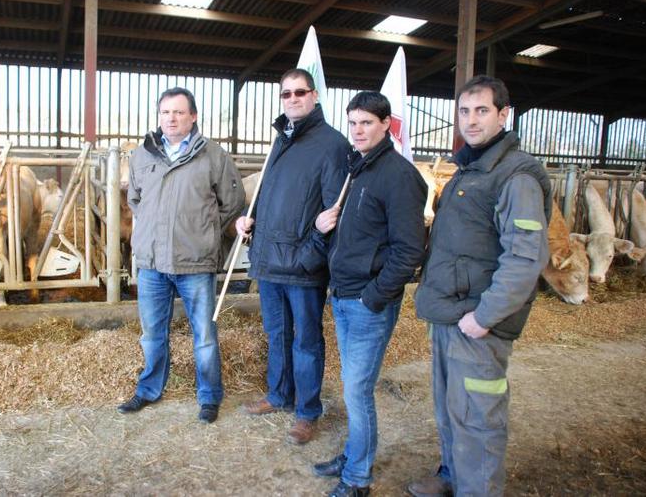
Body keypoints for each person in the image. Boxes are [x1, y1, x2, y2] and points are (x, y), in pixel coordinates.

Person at [410, 75, 552, 496]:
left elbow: (526, 258)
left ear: (503, 114)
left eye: (482, 111)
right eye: (464, 111)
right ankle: (453, 476)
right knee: (452, 409)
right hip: (449, 314)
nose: (471, 121)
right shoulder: (470, 168)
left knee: (478, 419)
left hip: (476, 323)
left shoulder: (515, 175)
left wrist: (484, 316)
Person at [311, 92, 427, 497]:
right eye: (353, 123)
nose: (357, 131)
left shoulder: (399, 175)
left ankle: (358, 478)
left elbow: (410, 248)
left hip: (366, 302)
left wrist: (375, 295)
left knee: (357, 392)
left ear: (386, 125)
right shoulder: (356, 170)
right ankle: (352, 454)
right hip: (343, 295)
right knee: (351, 386)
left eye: (366, 123)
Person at [235, 68, 349, 444]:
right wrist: (251, 222)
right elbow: (271, 196)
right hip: (269, 261)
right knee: (277, 334)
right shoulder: (280, 140)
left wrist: (311, 255)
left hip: (303, 267)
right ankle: (279, 394)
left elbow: (334, 211)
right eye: (286, 93)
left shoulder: (332, 144)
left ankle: (307, 411)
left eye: (300, 92)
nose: (293, 98)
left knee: (307, 342)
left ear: (314, 96)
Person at [118, 87, 245, 424]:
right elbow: (135, 200)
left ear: (193, 116)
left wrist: (203, 229)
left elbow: (233, 202)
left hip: (195, 262)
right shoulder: (143, 155)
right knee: (152, 333)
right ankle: (148, 390)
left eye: (178, 112)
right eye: (165, 113)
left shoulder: (213, 156)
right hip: (151, 263)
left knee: (204, 334)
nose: (170, 119)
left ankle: (208, 396)